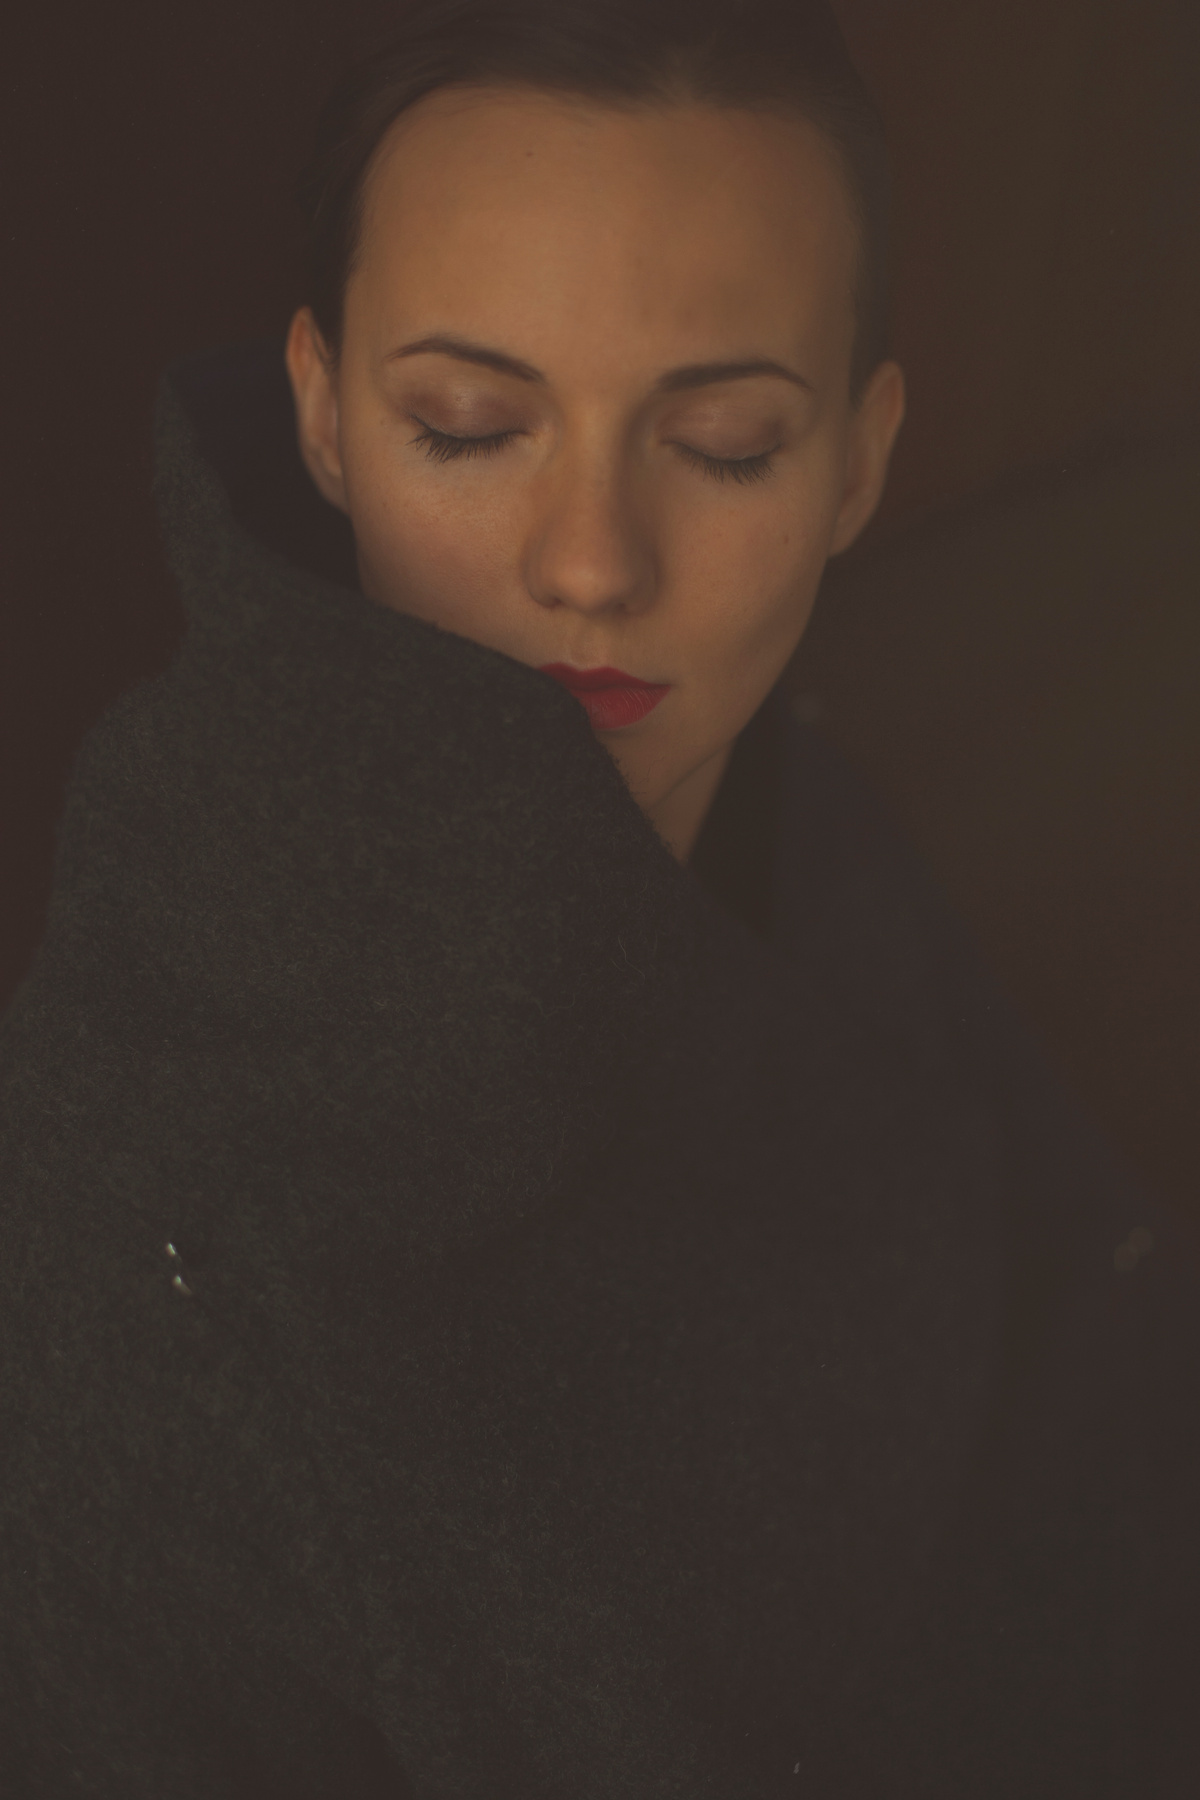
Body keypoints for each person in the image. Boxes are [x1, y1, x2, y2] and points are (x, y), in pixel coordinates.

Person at [0, 2, 1195, 1795]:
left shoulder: (806, 808)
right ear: (323, 416)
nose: (591, 564)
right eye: (471, 427)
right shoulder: (143, 1188)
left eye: (723, 444)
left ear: (859, 463)